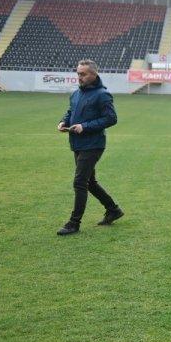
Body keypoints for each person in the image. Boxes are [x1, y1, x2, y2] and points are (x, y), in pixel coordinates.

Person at [55, 59, 124, 235]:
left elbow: (111, 118)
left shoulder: (102, 94)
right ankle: (113, 209)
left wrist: (85, 126)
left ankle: (74, 223)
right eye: (78, 73)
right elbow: (71, 112)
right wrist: (64, 121)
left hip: (93, 145)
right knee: (90, 183)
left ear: (94, 74)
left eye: (83, 74)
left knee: (80, 182)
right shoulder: (76, 94)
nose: (80, 77)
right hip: (77, 143)